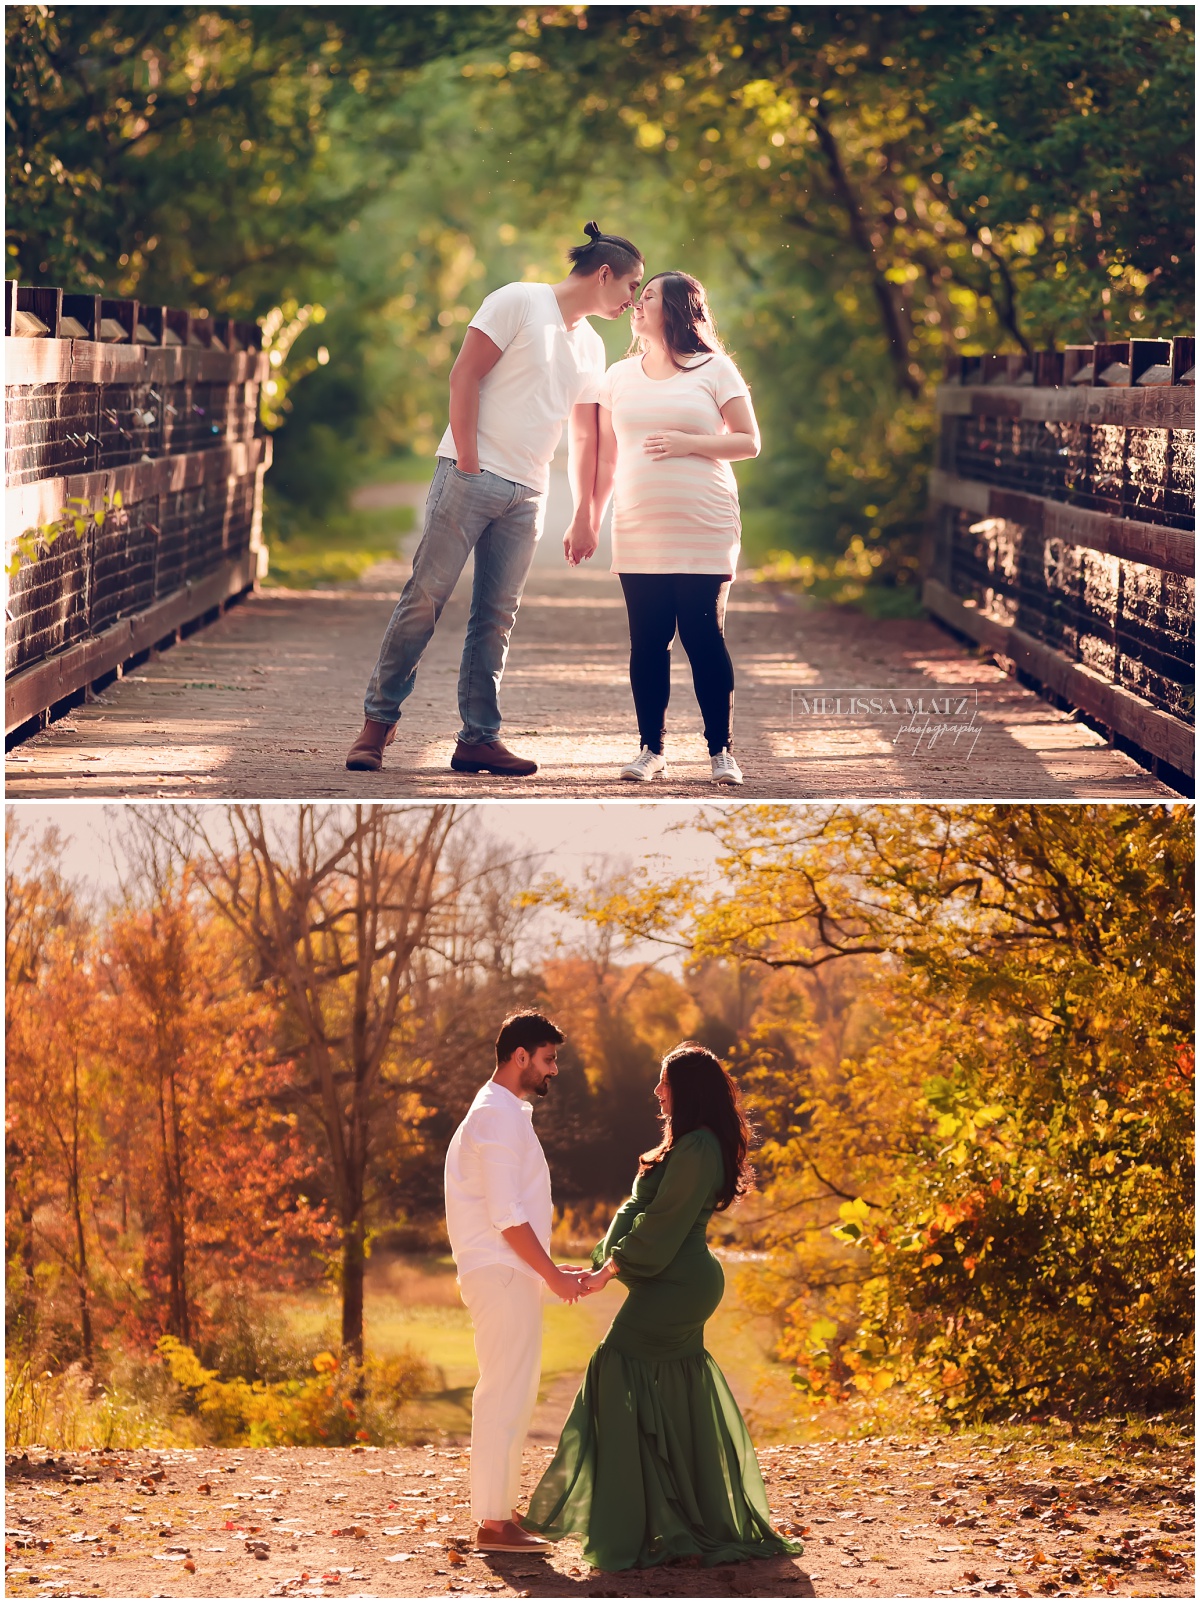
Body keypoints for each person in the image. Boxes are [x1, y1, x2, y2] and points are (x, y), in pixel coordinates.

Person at [346, 223, 644, 776]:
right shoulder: (518, 300)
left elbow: (584, 436)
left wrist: (584, 513)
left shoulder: (591, 346)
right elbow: (464, 375)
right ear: (604, 274)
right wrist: (466, 460)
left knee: (497, 618)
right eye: (631, 287)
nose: (632, 301)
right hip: (470, 475)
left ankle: (478, 739)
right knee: (425, 598)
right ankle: (375, 728)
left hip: (528, 494)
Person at [523, 1043, 800, 1572]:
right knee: (666, 1394)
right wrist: (602, 1258)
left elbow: (664, 1222)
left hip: (681, 1284)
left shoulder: (698, 1147)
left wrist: (610, 1270)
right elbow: (636, 1207)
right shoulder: (681, 1144)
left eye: (664, 1084)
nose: (656, 1092)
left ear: (687, 1091)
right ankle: (674, 1522)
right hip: (667, 1282)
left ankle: (658, 1523)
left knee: (614, 1367)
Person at [578, 272, 760, 787]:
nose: (636, 304)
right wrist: (589, 516)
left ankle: (721, 752)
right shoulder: (617, 377)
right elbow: (607, 460)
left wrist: (688, 442)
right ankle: (650, 750)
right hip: (639, 526)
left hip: (705, 522)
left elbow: (749, 441)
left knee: (703, 636)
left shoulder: (715, 369)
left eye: (649, 296)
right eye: (638, 297)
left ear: (677, 308)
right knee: (647, 641)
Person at [444, 1010, 588, 1554]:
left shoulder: (505, 1113)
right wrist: (551, 1276)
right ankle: (492, 1522)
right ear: (520, 1056)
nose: (554, 1070)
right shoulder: (497, 1116)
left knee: (514, 1390)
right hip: (500, 1273)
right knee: (504, 1391)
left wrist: (552, 1269)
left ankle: (499, 1511)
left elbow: (509, 1214)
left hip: (509, 1271)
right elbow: (506, 1216)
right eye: (548, 1059)